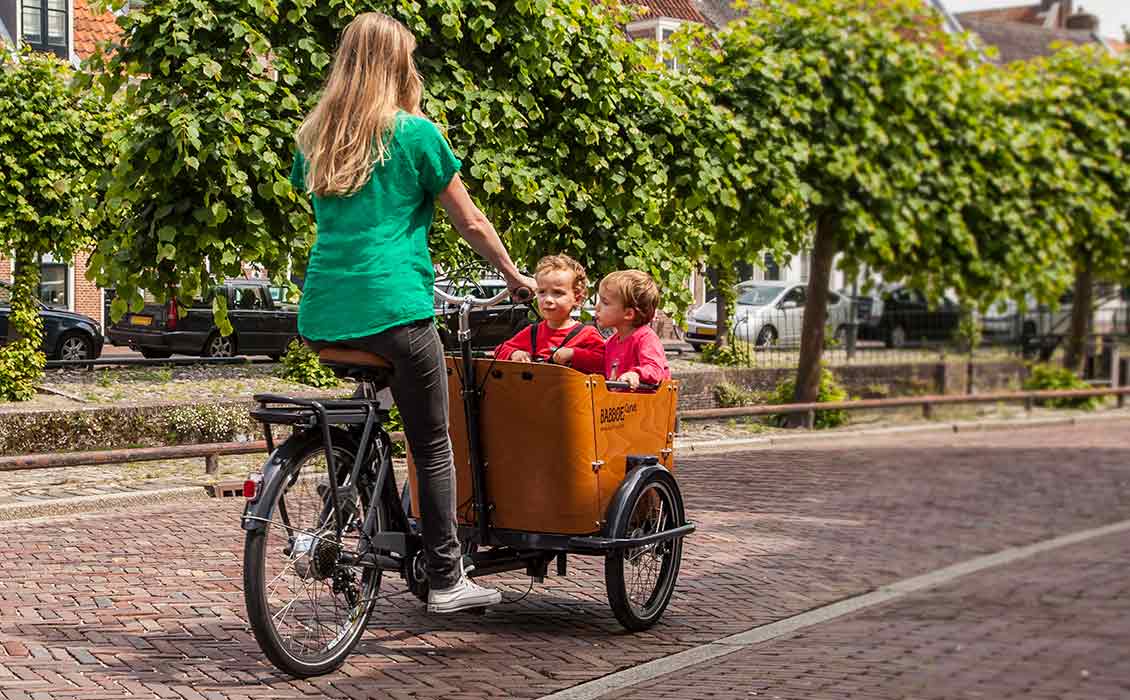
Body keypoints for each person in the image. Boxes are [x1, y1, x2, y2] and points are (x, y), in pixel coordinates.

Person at [289, 12, 536, 614]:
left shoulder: (315, 136)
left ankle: (352, 493)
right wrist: (514, 276)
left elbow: (332, 221)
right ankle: (449, 578)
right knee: (432, 441)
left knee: (383, 406)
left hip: (322, 313)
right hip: (395, 306)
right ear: (399, 66)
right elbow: (471, 221)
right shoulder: (416, 134)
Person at [494, 254, 605, 366]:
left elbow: (603, 360)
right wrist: (515, 353)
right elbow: (499, 350)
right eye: (542, 292)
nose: (548, 299)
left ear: (577, 298)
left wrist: (574, 354)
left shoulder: (586, 334)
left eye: (557, 293)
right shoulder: (533, 332)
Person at [572, 270, 670, 389]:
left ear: (628, 313)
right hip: (620, 405)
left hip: (645, 405)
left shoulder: (645, 338)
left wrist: (635, 374)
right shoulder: (612, 342)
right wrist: (574, 355)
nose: (597, 307)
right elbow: (598, 362)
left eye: (605, 302)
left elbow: (655, 369)